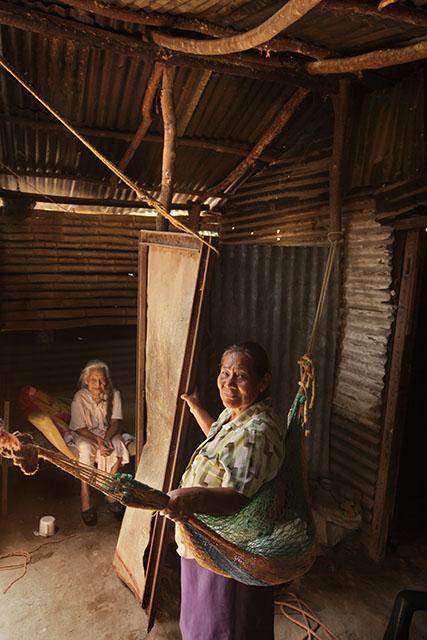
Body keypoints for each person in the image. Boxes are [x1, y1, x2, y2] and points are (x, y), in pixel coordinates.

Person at [162, 342, 285, 640]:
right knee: (208, 621)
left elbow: (236, 500)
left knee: (219, 626)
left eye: (240, 376)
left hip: (226, 552)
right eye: (224, 373)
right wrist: (195, 407)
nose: (228, 383)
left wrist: (186, 497)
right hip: (207, 544)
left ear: (263, 382)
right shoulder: (236, 416)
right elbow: (224, 447)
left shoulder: (256, 433)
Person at [69, 360, 129, 526]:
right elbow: (79, 428)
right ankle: (85, 497)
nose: (98, 384)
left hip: (108, 433)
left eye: (102, 380)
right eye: (94, 380)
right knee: (85, 448)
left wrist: (107, 439)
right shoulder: (79, 397)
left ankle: (110, 493)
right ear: (86, 381)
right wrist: (98, 441)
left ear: (107, 381)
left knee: (118, 444)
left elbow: (116, 422)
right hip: (86, 435)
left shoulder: (114, 394)